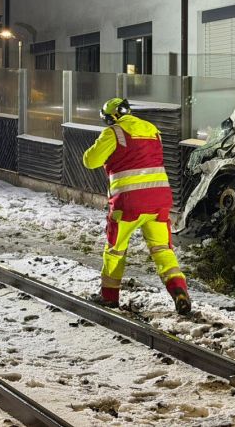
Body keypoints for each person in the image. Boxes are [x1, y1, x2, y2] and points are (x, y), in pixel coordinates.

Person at [82, 97, 191, 315]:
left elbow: (90, 161)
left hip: (129, 204)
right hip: (159, 200)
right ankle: (179, 289)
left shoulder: (113, 132)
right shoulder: (152, 129)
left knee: (115, 250)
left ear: (112, 117)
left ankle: (109, 297)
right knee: (162, 249)